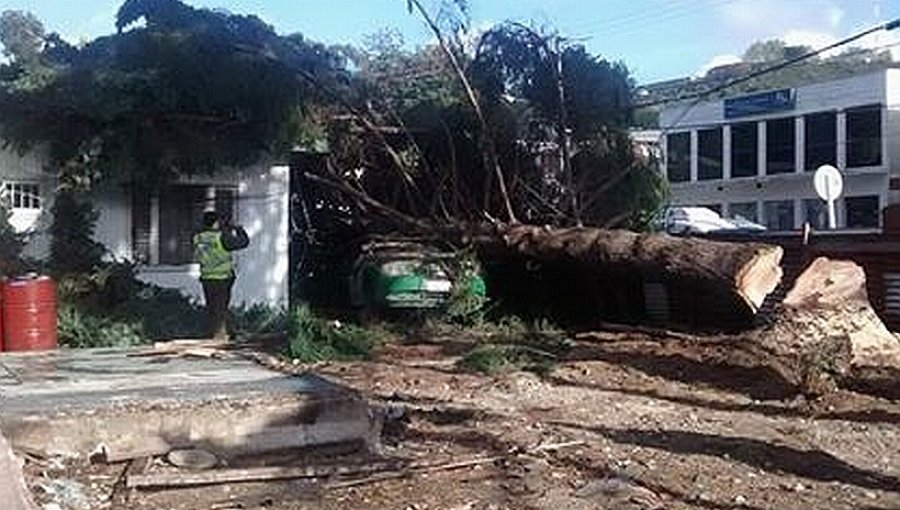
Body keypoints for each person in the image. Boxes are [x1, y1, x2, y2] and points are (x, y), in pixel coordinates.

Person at [193, 210, 235, 340]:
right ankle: (220, 335)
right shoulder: (221, 237)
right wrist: (237, 230)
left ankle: (211, 333)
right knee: (221, 308)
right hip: (222, 277)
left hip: (206, 277)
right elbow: (242, 242)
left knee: (211, 306)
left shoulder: (198, 237)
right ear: (216, 223)